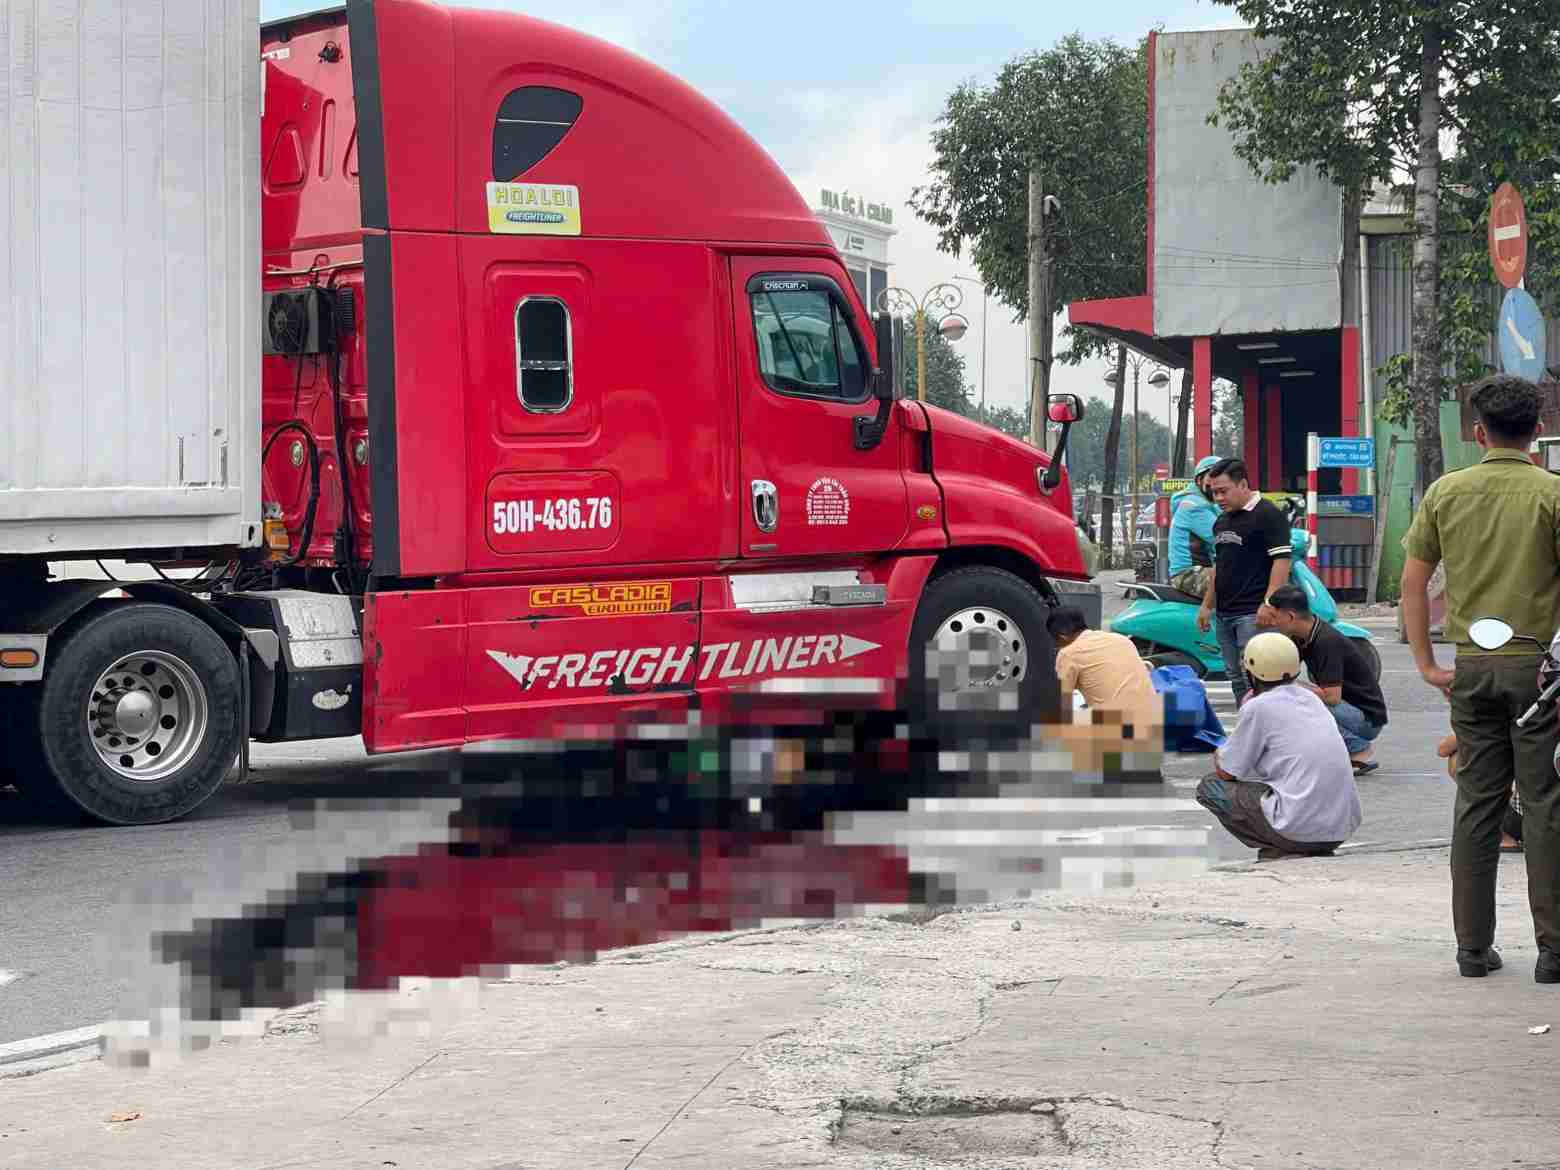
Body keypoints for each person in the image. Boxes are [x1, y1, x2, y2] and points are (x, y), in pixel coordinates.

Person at [1401, 372, 1560, 981]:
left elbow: (1414, 583)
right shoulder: (1551, 494)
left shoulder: (1446, 493)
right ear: (1537, 432)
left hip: (1469, 666)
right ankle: (1553, 951)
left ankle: (1473, 949)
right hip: (1539, 672)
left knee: (1477, 804)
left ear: (1477, 431)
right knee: (1544, 804)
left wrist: (1426, 664)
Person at [1194, 632, 1362, 860]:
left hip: (1298, 828)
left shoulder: (1258, 707)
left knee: (1210, 786)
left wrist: (1217, 744)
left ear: (1251, 673)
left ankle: (1284, 846)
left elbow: (1227, 771)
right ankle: (1296, 844)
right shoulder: (1311, 698)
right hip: (1340, 827)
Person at [1196, 458, 1292, 707]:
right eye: (1213, 492)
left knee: (1258, 676)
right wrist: (1207, 605)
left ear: (1243, 484)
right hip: (1225, 613)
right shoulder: (1221, 522)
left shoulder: (1268, 515)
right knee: (1235, 676)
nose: (1218, 498)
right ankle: (1248, 721)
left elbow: (1281, 561)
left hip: (1253, 613)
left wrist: (1269, 603)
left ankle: (1267, 728)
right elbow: (1219, 566)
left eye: (1223, 491)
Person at [1261, 584, 1388, 773]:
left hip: (1366, 719)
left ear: (1290, 617)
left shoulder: (1326, 642)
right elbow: (1286, 670)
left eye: (1274, 616)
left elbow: (1332, 697)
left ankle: (1358, 749)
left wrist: (1292, 688)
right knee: (1285, 694)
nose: (1271, 622)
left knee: (1299, 700)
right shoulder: (1302, 634)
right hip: (1348, 708)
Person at [1048, 606, 1162, 733]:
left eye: (1056, 642)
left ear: (1062, 637)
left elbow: (1062, 702)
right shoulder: (1120, 639)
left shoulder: (1068, 653)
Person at [1168, 455, 1224, 598]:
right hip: (1189, 574)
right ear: (1199, 480)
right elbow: (1223, 536)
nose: (1217, 483)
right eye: (1212, 477)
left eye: (1222, 477)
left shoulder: (1208, 504)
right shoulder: (1193, 505)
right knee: (1244, 582)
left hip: (1203, 569)